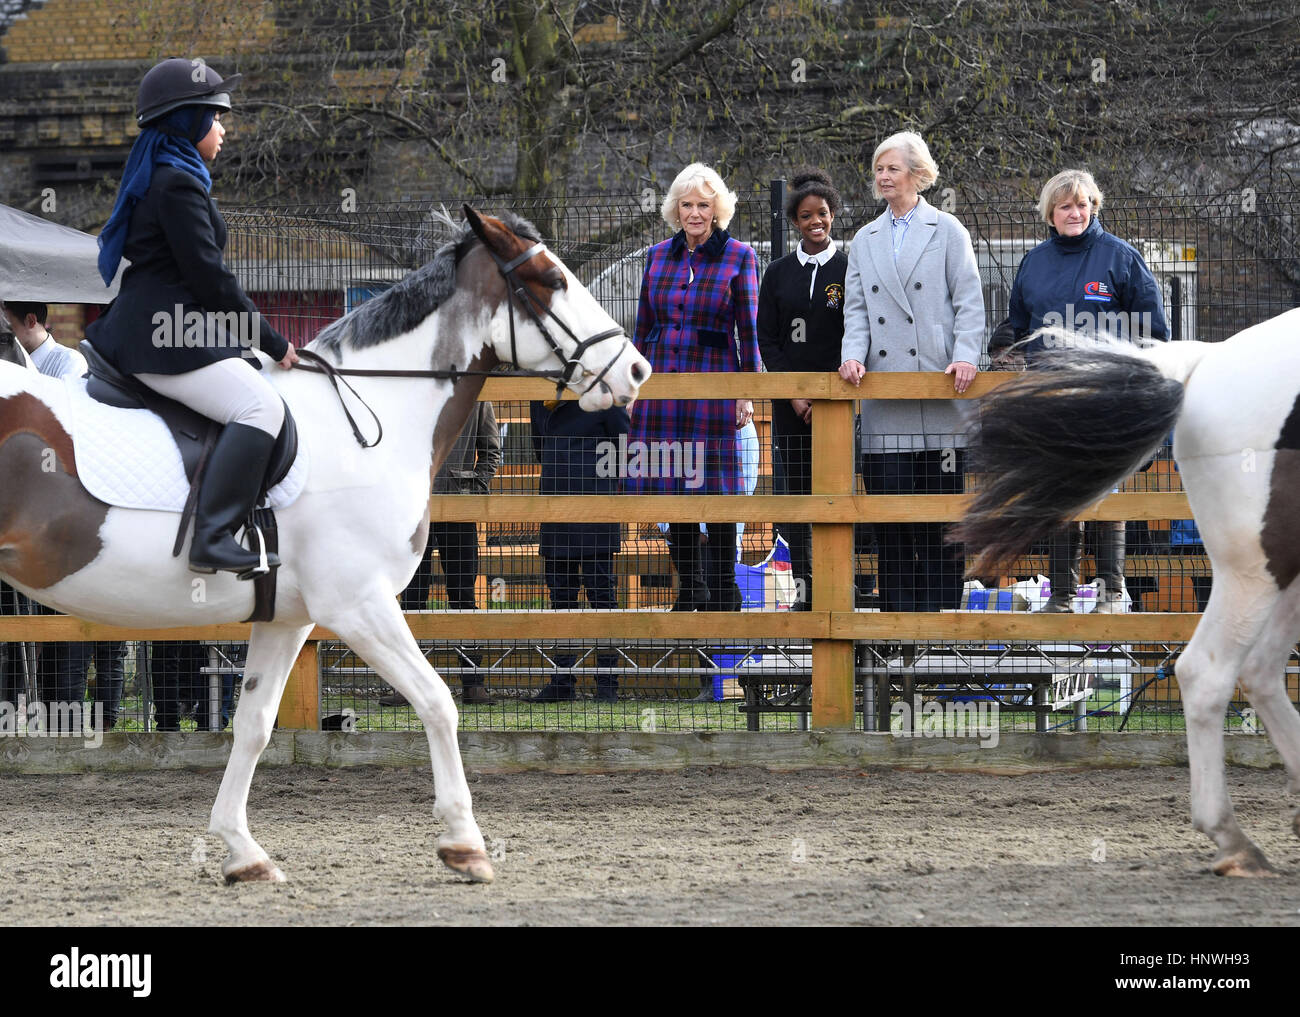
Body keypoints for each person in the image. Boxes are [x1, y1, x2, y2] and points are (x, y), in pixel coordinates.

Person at [86, 57, 298, 578]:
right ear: (190, 122)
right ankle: (213, 536)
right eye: (216, 118)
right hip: (163, 337)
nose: (223, 129)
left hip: (164, 327)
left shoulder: (167, 176)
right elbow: (211, 282)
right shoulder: (177, 184)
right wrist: (273, 342)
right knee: (261, 408)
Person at [989, 169, 1169, 612]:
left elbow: (1155, 333)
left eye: (1082, 205)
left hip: (1109, 402)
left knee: (1106, 493)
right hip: (1051, 402)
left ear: (1094, 207)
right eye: (1065, 206)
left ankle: (1111, 593)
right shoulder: (1034, 263)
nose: (1074, 213)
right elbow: (1020, 327)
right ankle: (1062, 596)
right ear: (1050, 214)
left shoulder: (1120, 258)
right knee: (1058, 494)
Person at [839, 131, 985, 613]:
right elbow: (856, 311)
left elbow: (969, 302)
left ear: (917, 174)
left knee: (942, 517)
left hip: (941, 392)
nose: (883, 177)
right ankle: (896, 619)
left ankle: (943, 619)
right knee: (891, 517)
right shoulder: (864, 239)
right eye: (878, 169)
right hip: (885, 396)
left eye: (892, 169)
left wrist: (966, 355)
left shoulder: (948, 230)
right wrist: (852, 355)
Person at [628, 162, 761, 614]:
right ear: (676, 209)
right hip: (663, 383)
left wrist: (745, 390)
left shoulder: (740, 256)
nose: (695, 213)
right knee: (674, 488)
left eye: (704, 205)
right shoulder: (656, 256)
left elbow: (750, 331)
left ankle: (723, 589)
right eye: (687, 205)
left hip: (714, 383)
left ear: (717, 209)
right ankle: (691, 590)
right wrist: (635, 386)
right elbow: (642, 328)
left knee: (717, 490)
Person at [757, 169, 848, 611]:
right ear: (795, 221)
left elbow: (856, 332)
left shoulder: (850, 268)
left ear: (832, 216)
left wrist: (828, 394)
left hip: (837, 403)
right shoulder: (777, 273)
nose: (816, 221)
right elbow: (767, 338)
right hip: (790, 405)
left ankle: (841, 588)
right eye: (807, 215)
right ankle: (805, 590)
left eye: (823, 213)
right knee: (795, 497)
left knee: (837, 495)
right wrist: (794, 393)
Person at [389, 402, 501, 706]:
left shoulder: (477, 397)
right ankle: (408, 686)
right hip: (415, 510)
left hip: (458, 510)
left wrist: (473, 488)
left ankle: (473, 683)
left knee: (463, 596)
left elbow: (491, 451)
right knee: (412, 597)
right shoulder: (413, 390)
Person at [526, 398, 629, 703]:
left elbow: (623, 442)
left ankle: (607, 684)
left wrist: (598, 480)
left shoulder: (604, 391)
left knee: (602, 597)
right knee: (561, 598)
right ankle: (562, 680)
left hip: (596, 507)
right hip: (555, 504)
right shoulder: (539, 396)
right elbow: (540, 447)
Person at [1, 301, 88, 380]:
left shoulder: (69, 361)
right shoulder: (7, 360)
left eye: (7, 326)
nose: (2, 332)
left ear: (30, 321)